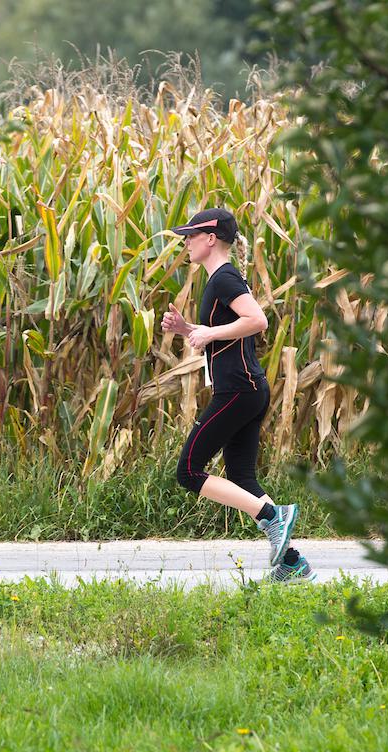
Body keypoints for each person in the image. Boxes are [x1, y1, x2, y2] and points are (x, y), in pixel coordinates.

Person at [160, 208, 315, 583]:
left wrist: (208, 334)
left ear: (211, 238)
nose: (187, 241)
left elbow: (256, 320)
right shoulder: (221, 279)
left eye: (191, 235)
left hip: (237, 390)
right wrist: (189, 329)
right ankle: (292, 562)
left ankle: (273, 517)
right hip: (247, 389)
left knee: (189, 471)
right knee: (243, 479)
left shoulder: (224, 278)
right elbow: (229, 328)